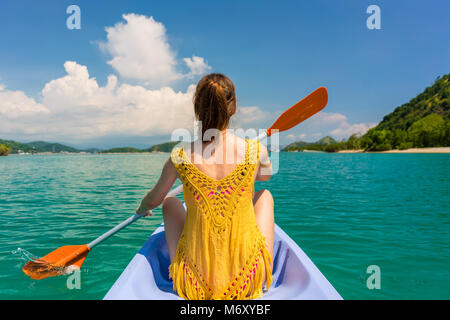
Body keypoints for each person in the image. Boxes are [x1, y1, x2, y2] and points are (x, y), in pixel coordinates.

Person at [136, 73, 274, 300]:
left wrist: (142, 207)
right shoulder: (255, 150)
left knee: (170, 201)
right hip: (247, 284)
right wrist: (254, 165)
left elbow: (154, 199)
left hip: (195, 285)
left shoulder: (179, 157)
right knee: (265, 196)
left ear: (197, 108)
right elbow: (265, 177)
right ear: (234, 106)